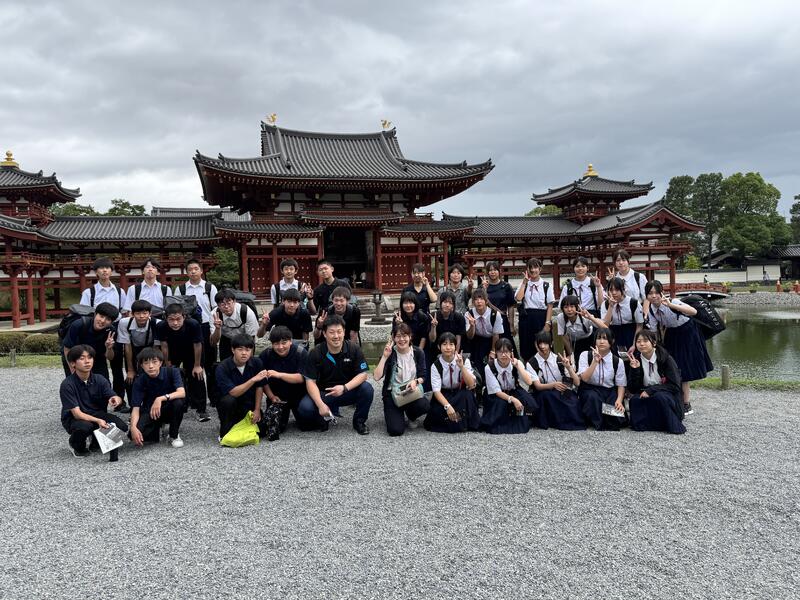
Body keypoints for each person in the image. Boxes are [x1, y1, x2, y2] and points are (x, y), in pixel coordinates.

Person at [643, 280, 713, 415]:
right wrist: (652, 347)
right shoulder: (651, 310)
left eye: (656, 292)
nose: (654, 296)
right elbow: (653, 331)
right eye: (650, 293)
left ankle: (686, 403)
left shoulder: (673, 301)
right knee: (673, 367)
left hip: (688, 332)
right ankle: (677, 399)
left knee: (684, 369)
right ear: (646, 295)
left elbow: (693, 311)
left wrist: (671, 305)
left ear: (661, 292)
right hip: (672, 334)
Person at [298, 314, 373, 435]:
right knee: (305, 408)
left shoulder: (354, 349)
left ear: (344, 332)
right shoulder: (316, 352)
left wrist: (344, 388)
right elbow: (310, 381)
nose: (336, 336)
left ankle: (359, 421)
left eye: (339, 331)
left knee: (367, 389)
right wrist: (320, 405)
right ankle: (324, 416)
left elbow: (363, 374)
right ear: (324, 334)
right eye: (332, 332)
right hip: (324, 394)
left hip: (346, 391)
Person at [59, 345, 127, 459]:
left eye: (90, 357)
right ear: (72, 363)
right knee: (85, 427)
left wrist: (115, 399)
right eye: (82, 358)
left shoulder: (99, 379)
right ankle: (75, 444)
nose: (87, 361)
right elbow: (77, 414)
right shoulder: (67, 384)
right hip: (74, 418)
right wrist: (98, 421)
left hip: (97, 414)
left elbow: (114, 396)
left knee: (122, 426)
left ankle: (95, 441)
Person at [80, 257, 127, 407]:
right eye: (101, 268)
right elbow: (84, 313)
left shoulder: (119, 291)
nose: (105, 270)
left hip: (114, 330)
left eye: (108, 268)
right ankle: (96, 401)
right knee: (96, 366)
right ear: (96, 272)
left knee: (117, 367)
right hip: (95, 332)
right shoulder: (89, 292)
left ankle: (119, 400)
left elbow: (123, 312)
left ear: (111, 271)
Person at [174, 257, 219, 407]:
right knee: (191, 364)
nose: (193, 272)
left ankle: (214, 398)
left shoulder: (209, 287)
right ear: (186, 272)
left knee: (210, 364)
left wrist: (214, 328)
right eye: (190, 270)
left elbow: (215, 308)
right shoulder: (181, 289)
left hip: (206, 326)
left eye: (196, 269)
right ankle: (194, 399)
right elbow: (177, 310)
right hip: (188, 328)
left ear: (201, 271)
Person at [373, 323, 430, 436]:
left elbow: (423, 375)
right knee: (395, 430)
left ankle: (411, 415)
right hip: (393, 393)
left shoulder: (418, 352)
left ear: (410, 337)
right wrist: (384, 356)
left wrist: (415, 381)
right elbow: (376, 377)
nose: (402, 339)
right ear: (394, 338)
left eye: (404, 336)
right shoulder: (391, 353)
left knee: (425, 405)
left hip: (411, 392)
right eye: (398, 336)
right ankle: (396, 414)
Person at [155, 302, 207, 422]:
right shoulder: (161, 326)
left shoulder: (193, 324)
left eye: (178, 319)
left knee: (197, 376)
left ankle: (201, 409)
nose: (175, 323)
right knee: (172, 375)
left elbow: (198, 344)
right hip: (173, 351)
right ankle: (179, 405)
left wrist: (197, 365)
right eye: (171, 320)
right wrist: (167, 362)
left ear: (184, 316)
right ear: (165, 318)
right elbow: (164, 345)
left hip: (192, 351)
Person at [626, 330, 686, 434]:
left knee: (660, 397)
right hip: (645, 391)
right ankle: (649, 424)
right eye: (638, 341)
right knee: (635, 400)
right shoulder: (636, 360)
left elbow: (675, 385)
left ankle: (666, 423)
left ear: (654, 343)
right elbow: (633, 389)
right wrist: (635, 370)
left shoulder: (666, 359)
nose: (641, 344)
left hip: (666, 392)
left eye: (645, 341)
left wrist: (651, 391)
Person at [129, 347, 187, 448]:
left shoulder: (172, 372)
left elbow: (182, 393)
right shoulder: (139, 381)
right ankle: (158, 428)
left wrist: (160, 398)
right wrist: (133, 427)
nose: (151, 366)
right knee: (134, 435)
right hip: (151, 411)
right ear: (141, 365)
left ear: (160, 362)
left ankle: (173, 435)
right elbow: (136, 408)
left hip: (170, 408)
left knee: (178, 402)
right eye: (146, 363)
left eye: (154, 362)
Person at [526, 332, 584, 430]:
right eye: (540, 343)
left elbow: (577, 383)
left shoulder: (558, 359)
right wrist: (553, 385)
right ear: (536, 344)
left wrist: (569, 367)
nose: (542, 346)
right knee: (549, 397)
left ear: (551, 344)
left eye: (545, 343)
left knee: (573, 401)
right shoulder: (531, 363)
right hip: (543, 392)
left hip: (561, 389)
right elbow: (538, 386)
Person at [258, 325, 311, 433]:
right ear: (272, 344)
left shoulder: (301, 352)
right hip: (278, 396)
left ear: (290, 341)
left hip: (299, 394)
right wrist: (271, 396)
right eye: (276, 344)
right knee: (275, 428)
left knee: (307, 426)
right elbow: (262, 381)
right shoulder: (266, 355)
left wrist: (279, 375)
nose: (280, 347)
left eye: (284, 343)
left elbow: (302, 378)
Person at [479, 338, 537, 434]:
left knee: (530, 403)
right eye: (500, 352)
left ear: (511, 352)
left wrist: (518, 366)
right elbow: (497, 392)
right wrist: (513, 399)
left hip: (512, 390)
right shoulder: (489, 367)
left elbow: (529, 382)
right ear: (496, 353)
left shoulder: (516, 363)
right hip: (496, 394)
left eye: (506, 352)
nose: (503, 355)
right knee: (501, 405)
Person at [215, 334, 267, 439]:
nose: (244, 353)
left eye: (248, 350)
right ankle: (225, 426)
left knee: (262, 432)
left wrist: (257, 409)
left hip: (248, 403)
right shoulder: (223, 367)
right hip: (230, 405)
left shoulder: (257, 363)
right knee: (228, 402)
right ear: (233, 350)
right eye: (240, 349)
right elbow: (233, 392)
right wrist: (253, 379)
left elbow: (260, 387)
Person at [424, 332, 479, 433]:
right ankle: (457, 421)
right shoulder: (435, 365)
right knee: (437, 414)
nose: (448, 347)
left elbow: (471, 385)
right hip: (444, 394)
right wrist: (447, 406)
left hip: (460, 392)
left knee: (467, 395)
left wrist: (461, 367)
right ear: (439, 347)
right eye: (444, 344)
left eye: (451, 344)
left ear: (455, 346)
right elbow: (436, 391)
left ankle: (459, 422)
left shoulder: (464, 360)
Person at [577, 328, 627, 430]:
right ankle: (596, 420)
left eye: (605, 338)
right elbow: (585, 378)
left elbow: (621, 384)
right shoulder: (585, 355)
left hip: (609, 391)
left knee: (616, 418)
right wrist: (594, 362)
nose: (601, 341)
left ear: (612, 341)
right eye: (599, 338)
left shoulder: (617, 361)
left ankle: (604, 416)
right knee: (593, 399)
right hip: (590, 389)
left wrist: (619, 400)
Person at [61, 302, 119, 380]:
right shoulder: (79, 325)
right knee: (76, 383)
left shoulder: (111, 332)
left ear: (112, 322)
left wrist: (109, 348)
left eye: (108, 319)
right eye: (101, 316)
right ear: (95, 314)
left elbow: (110, 357)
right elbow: (67, 348)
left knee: (102, 383)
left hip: (97, 358)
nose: (102, 321)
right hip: (75, 357)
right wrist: (73, 370)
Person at [117, 299, 160, 402]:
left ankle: (150, 402)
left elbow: (156, 347)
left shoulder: (157, 323)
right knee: (131, 378)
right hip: (133, 349)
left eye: (145, 313)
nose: (141, 316)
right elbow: (127, 346)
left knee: (150, 374)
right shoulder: (124, 323)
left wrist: (154, 365)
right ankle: (133, 404)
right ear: (132, 314)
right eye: (138, 313)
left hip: (151, 348)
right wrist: (130, 370)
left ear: (150, 313)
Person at [514, 258, 554, 363]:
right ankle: (528, 367)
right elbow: (518, 298)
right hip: (526, 319)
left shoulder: (546, 285)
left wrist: (547, 323)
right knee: (526, 346)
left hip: (541, 318)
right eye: (530, 267)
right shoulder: (524, 283)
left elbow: (550, 305)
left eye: (535, 267)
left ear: (540, 269)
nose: (533, 270)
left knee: (543, 344)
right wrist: (524, 283)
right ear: (527, 269)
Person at [210, 288, 259, 361]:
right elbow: (214, 341)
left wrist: (250, 360)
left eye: (228, 303)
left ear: (234, 302)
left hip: (244, 338)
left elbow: (251, 338)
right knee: (226, 363)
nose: (226, 306)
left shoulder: (246, 312)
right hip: (226, 339)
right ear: (218, 306)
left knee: (245, 361)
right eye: (222, 304)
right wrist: (217, 328)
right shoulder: (214, 315)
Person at [482, 261, 518, 357]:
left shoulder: (506, 286)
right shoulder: (483, 287)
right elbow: (479, 302)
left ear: (499, 271)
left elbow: (511, 306)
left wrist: (511, 325)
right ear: (487, 272)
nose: (492, 272)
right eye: (490, 270)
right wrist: (484, 289)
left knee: (505, 345)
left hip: (503, 320)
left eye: (495, 270)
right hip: (487, 320)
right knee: (489, 346)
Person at [555, 295, 604, 363]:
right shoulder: (560, 318)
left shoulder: (584, 316)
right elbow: (564, 337)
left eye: (572, 306)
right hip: (572, 342)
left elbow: (603, 326)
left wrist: (591, 318)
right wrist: (571, 354)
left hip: (588, 340)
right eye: (566, 307)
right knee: (574, 361)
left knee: (589, 361)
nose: (569, 310)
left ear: (577, 307)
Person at [600, 277, 644, 353]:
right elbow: (605, 325)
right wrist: (611, 306)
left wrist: (635, 344)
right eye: (611, 290)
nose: (614, 293)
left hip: (630, 332)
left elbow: (639, 325)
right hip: (613, 333)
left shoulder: (633, 303)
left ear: (623, 289)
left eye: (617, 290)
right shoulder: (605, 304)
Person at [465, 288, 503, 367]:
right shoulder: (469, 314)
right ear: (473, 302)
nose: (479, 301)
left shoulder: (495, 314)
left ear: (486, 301)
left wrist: (493, 351)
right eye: (476, 299)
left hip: (491, 340)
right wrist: (472, 326)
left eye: (481, 299)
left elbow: (496, 335)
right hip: (476, 341)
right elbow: (469, 336)